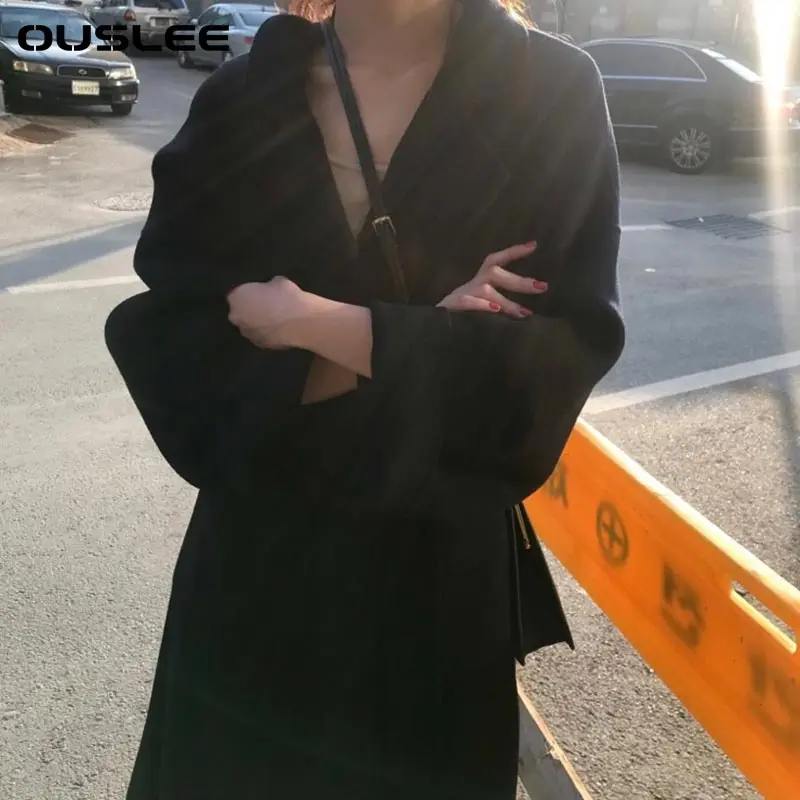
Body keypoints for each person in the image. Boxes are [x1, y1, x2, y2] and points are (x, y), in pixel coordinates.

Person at [105, 0, 625, 798]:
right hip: (255, 579)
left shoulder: (546, 91)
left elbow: (537, 382)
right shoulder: (246, 96)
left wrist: (314, 324)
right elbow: (176, 356)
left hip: (435, 597)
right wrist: (425, 340)